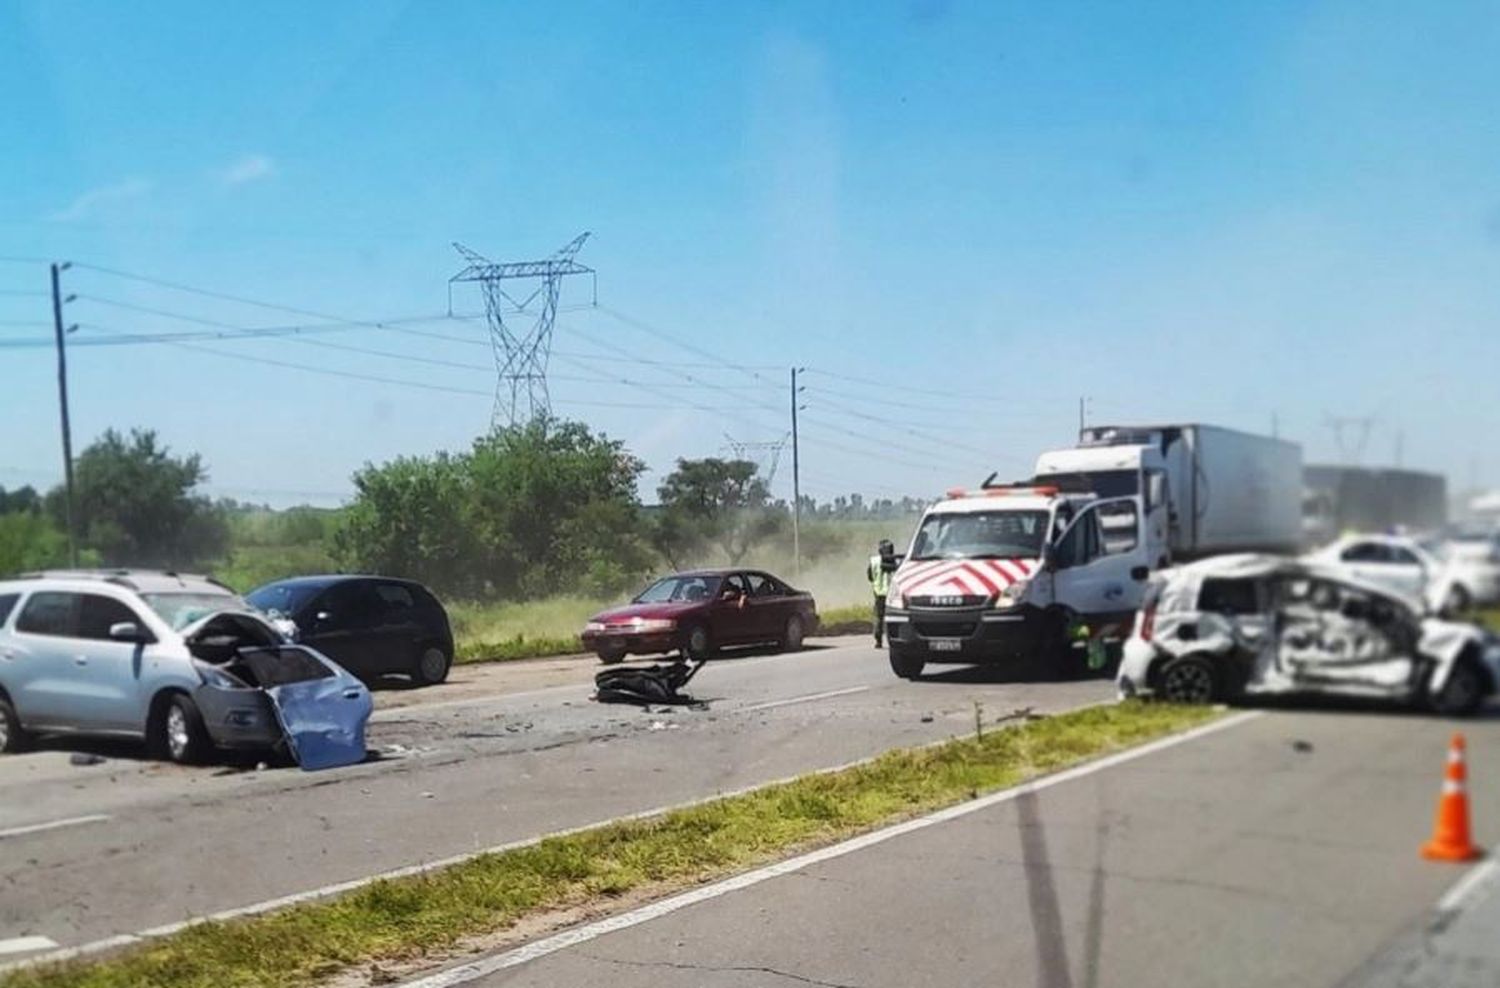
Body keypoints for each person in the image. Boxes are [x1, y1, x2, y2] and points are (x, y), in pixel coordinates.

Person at [868, 539, 896, 647]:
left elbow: (870, 577)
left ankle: (878, 641)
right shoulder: (894, 560)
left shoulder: (874, 561)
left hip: (878, 593)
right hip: (891, 594)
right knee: (891, 618)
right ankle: (892, 640)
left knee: (879, 617)